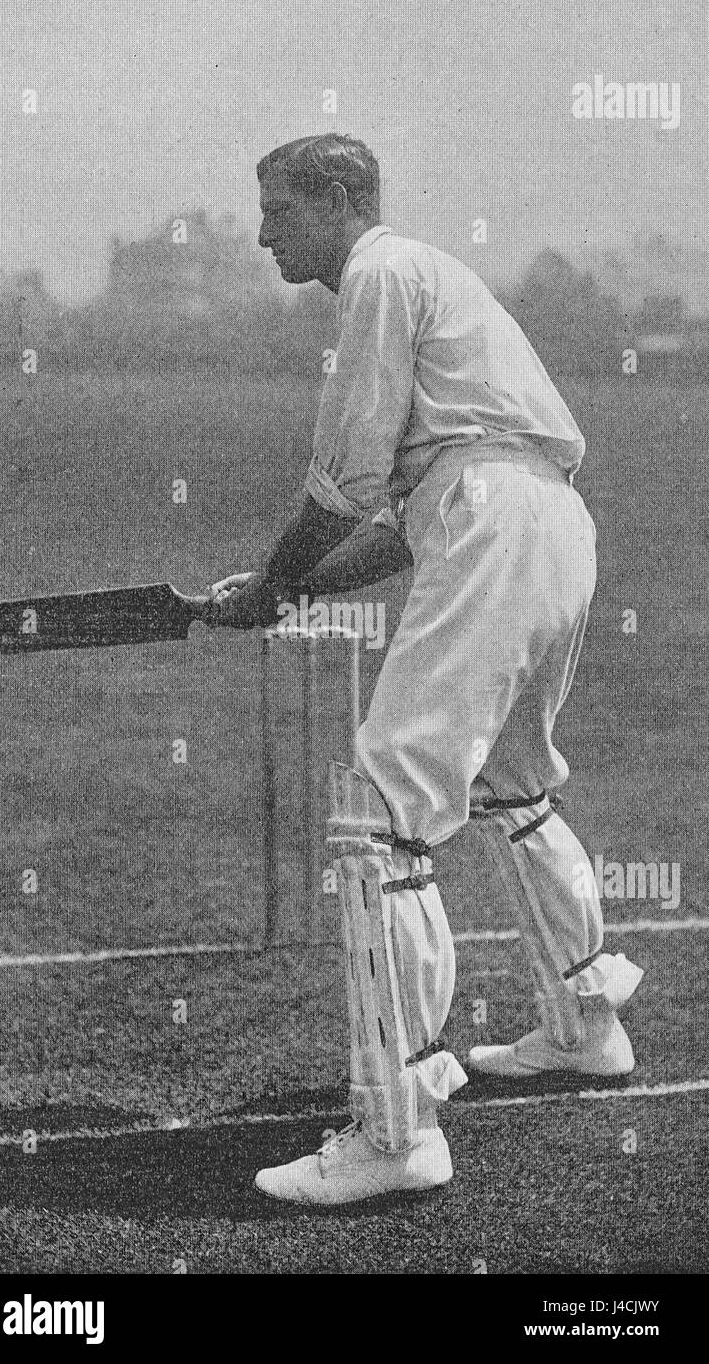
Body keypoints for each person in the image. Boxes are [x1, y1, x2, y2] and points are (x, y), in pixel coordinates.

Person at [205, 134, 643, 1205]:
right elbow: (405, 520)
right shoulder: (433, 280)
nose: (263, 231)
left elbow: (348, 477)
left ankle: (396, 1130)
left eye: (279, 209)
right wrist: (293, 589)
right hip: (551, 522)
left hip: (492, 520)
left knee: (381, 815)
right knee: (512, 784)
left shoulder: (380, 273)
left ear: (340, 200)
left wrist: (272, 580)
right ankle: (585, 1024)